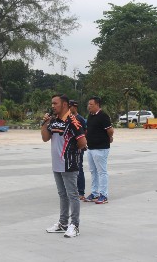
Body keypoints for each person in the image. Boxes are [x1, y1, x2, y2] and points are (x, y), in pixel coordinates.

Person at [41, 94, 87, 238]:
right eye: (52, 103)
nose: (53, 106)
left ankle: (75, 225)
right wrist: (45, 123)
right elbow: (45, 138)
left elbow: (83, 142)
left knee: (73, 195)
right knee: (62, 195)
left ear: (65, 105)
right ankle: (63, 223)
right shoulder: (53, 121)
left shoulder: (73, 121)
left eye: (56, 103)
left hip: (69, 165)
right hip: (57, 164)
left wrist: (71, 155)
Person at [84, 96, 114, 204]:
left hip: (101, 148)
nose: (89, 106)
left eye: (91, 104)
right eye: (88, 104)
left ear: (97, 105)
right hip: (91, 148)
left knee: (102, 172)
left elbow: (110, 130)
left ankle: (103, 195)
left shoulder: (103, 116)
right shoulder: (90, 116)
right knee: (93, 171)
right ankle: (94, 193)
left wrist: (109, 138)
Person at [69, 100, 87, 200]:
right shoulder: (67, 118)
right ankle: (73, 190)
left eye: (70, 106)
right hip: (70, 149)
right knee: (71, 170)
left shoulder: (79, 119)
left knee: (79, 169)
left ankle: (81, 192)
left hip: (78, 148)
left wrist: (83, 144)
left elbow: (85, 133)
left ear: (75, 107)